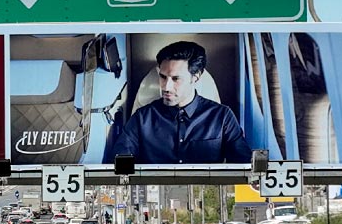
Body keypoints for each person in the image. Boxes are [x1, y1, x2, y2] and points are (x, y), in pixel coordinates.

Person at [102, 41, 250, 165]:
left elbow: (243, 165)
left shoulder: (222, 117)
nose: (166, 87)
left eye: (176, 79)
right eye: (163, 77)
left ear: (196, 77)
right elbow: (120, 163)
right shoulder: (142, 118)